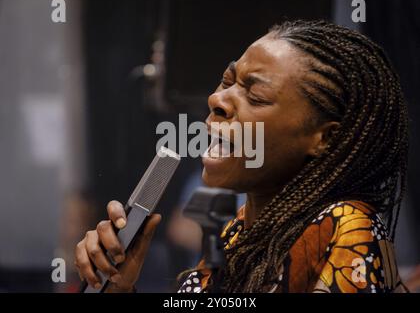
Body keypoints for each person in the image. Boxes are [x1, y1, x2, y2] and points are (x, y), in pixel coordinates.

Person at [74, 20, 409, 293]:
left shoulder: (345, 227)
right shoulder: (238, 236)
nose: (216, 99)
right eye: (227, 81)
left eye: (257, 94)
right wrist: (120, 287)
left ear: (324, 138)